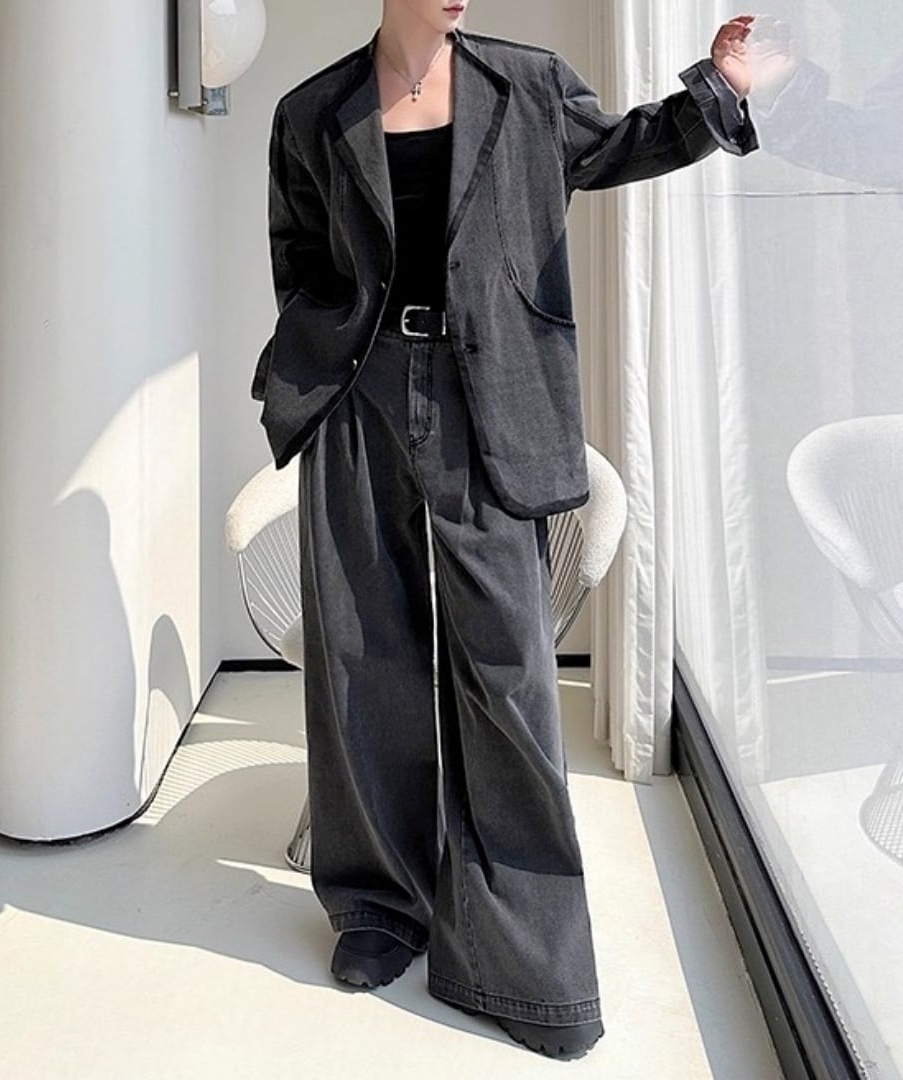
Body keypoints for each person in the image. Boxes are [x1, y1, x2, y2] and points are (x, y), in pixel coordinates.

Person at [253, 0, 758, 1059]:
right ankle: (377, 904)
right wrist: (326, 365)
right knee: (363, 658)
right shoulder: (312, 111)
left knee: (508, 671)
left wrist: (717, 88)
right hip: (360, 397)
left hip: (491, 397)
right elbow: (299, 258)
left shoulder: (525, 84)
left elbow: (625, 146)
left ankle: (523, 957)